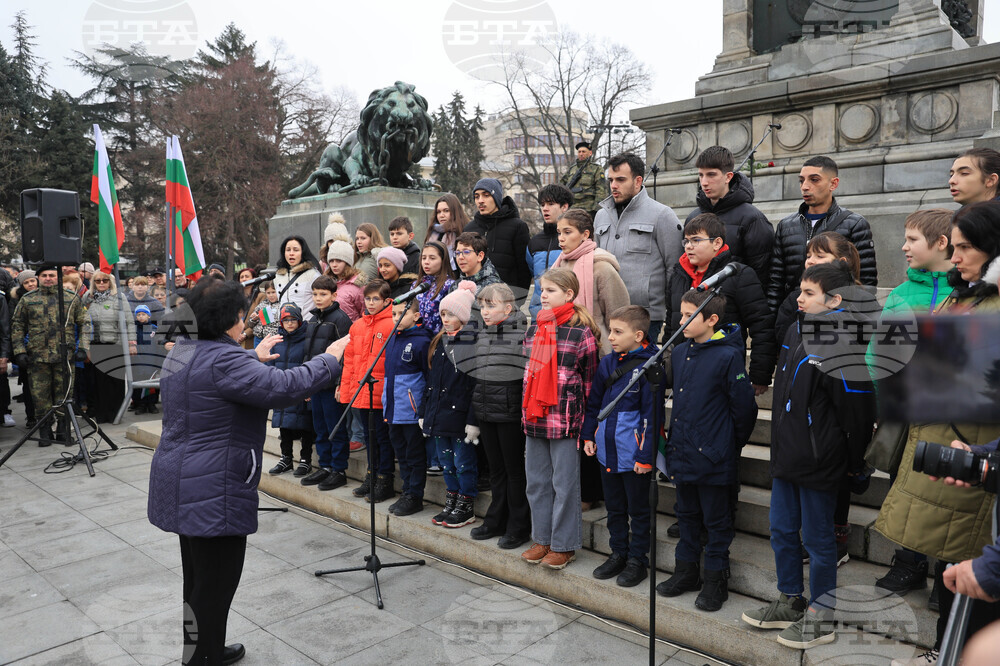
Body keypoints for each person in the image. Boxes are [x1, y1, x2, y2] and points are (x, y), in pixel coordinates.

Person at [147, 278, 347, 665]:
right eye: (241, 316)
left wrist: (251, 357)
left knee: (198, 582)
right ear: (225, 320)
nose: (246, 322)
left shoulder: (184, 350)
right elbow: (287, 387)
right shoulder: (226, 360)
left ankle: (203, 649)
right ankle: (202, 659)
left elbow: (214, 380)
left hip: (184, 478)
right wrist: (331, 357)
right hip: (212, 486)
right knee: (215, 586)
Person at [874, 202, 1000, 664]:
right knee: (953, 571)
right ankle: (945, 650)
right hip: (945, 443)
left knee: (969, 575)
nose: (958, 256)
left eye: (967, 247)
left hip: (973, 454)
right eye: (957, 245)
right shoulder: (963, 293)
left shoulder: (989, 300)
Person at [743, 262, 876, 650]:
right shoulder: (795, 328)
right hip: (788, 455)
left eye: (808, 293)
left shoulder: (844, 341)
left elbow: (857, 412)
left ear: (835, 300)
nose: (798, 299)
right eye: (799, 291)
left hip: (820, 461)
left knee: (818, 543)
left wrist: (854, 465)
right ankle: (790, 599)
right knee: (783, 531)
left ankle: (822, 615)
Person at [868, 211, 953, 595]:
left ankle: (947, 571)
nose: (903, 247)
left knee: (945, 491)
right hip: (904, 411)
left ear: (942, 244)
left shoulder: (966, 293)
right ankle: (908, 563)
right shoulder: (902, 293)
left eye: (912, 239)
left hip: (948, 416)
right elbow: (878, 355)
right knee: (902, 484)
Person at [657, 292, 757, 610]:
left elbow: (744, 409)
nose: (681, 321)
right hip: (684, 452)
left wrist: (727, 443)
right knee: (685, 515)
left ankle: (716, 579)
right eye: (680, 313)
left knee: (716, 521)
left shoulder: (728, 355)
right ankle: (686, 571)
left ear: (711, 320)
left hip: (713, 455)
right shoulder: (682, 351)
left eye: (689, 315)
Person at [520, 268, 600, 570]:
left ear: (568, 294)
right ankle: (542, 538)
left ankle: (564, 546)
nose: (543, 295)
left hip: (565, 423)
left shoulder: (581, 334)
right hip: (534, 420)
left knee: (565, 486)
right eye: (541, 290)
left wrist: (586, 426)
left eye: (550, 290)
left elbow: (591, 385)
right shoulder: (533, 330)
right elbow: (528, 378)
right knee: (537, 483)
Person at [581, 305, 664, 588]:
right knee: (615, 507)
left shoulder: (651, 365)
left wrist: (645, 455)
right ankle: (618, 552)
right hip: (607, 448)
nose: (611, 337)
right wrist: (589, 435)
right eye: (611, 331)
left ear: (639, 335)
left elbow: (652, 417)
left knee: (638, 509)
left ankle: (637, 559)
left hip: (633, 452)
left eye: (618, 332)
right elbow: (594, 404)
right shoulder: (607, 363)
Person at [665, 213, 776, 395]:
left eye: (696, 240)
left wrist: (759, 374)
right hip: (684, 367)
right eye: (686, 241)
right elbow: (671, 322)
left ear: (717, 243)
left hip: (722, 371)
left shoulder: (738, 274)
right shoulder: (678, 274)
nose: (689, 247)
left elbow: (762, 325)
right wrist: (669, 363)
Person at [462, 282, 531, 548]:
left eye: (491, 306)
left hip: (510, 412)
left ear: (509, 307)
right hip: (485, 409)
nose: (485, 311)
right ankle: (495, 519)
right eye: (482, 306)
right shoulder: (484, 333)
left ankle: (518, 525)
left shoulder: (521, 333)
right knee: (496, 471)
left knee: (514, 472)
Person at [766, 155, 877, 313]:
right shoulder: (786, 225)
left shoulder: (854, 224)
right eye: (801, 180)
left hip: (836, 318)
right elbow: (776, 283)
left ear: (833, 183)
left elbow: (866, 283)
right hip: (792, 316)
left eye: (814, 180)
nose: (805, 186)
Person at [595, 152, 683, 342]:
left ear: (638, 181)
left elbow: (675, 269)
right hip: (607, 314)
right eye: (611, 180)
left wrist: (669, 312)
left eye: (620, 179)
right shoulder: (600, 216)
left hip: (645, 317)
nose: (613, 186)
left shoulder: (662, 215)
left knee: (639, 371)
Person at [422, 281, 480, 528]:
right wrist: (424, 413)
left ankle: (466, 504)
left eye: (452, 314)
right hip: (439, 416)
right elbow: (431, 382)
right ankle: (452, 498)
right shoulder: (439, 343)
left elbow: (475, 386)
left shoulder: (472, 344)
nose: (446, 318)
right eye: (443, 313)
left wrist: (473, 421)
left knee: (463, 463)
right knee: (446, 463)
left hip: (460, 419)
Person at [11, 266, 89, 445]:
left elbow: (85, 323)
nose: (48, 278)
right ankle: (44, 430)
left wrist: (83, 347)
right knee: (40, 397)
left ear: (58, 278)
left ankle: (63, 429)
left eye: (52, 275)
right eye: (44, 275)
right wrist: (19, 352)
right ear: (38, 278)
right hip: (37, 358)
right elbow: (17, 327)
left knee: (64, 395)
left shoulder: (71, 298)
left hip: (65, 357)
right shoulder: (28, 299)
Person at [686, 145, 774, 288]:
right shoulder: (693, 217)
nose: (704, 182)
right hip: (696, 303)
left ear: (728, 177)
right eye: (701, 175)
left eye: (711, 175)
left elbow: (762, 274)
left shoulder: (752, 218)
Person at [340, 280, 396, 503]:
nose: (371, 303)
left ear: (386, 300)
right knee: (369, 438)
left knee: (383, 438)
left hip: (380, 393)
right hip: (361, 392)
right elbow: (350, 361)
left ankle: (385, 479)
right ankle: (371, 475)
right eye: (368, 299)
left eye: (376, 299)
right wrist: (346, 391)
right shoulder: (358, 326)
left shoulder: (392, 323)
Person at [298, 275, 353, 491]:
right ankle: (325, 465)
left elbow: (347, 354)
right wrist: (306, 382)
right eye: (315, 294)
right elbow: (307, 353)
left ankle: (339, 469)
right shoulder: (312, 320)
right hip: (317, 384)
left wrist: (341, 383)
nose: (318, 298)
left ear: (334, 295)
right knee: (319, 428)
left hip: (332, 385)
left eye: (323, 294)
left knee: (334, 428)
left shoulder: (340, 319)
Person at [552, 208, 630, 357]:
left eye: (567, 232)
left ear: (585, 234)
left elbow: (619, 315)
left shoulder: (602, 267)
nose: (561, 238)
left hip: (597, 349)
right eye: (559, 232)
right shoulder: (559, 265)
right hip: (562, 346)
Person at [382, 298, 432, 516]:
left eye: (402, 313)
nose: (396, 318)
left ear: (416, 316)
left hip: (411, 411)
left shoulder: (422, 341)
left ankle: (415, 495)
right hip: (393, 408)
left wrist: (422, 409)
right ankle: (406, 490)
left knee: (414, 454)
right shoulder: (393, 338)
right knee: (400, 452)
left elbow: (428, 377)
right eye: (393, 314)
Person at [265, 304, 316, 478]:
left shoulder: (307, 338)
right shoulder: (277, 339)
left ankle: (305, 460)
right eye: (286, 320)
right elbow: (269, 362)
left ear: (299, 320)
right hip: (282, 389)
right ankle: (286, 457)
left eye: (293, 319)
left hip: (301, 388)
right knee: (284, 425)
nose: (290, 323)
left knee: (305, 425)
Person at [83, 270, 136, 423]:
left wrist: (131, 343)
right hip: (95, 345)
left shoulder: (119, 298)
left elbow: (128, 321)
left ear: (110, 282)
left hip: (115, 344)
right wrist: (85, 347)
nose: (101, 283)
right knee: (98, 382)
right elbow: (82, 323)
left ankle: (115, 414)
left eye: (104, 280)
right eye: (98, 281)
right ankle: (101, 413)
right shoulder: (87, 299)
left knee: (115, 381)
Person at [464, 178, 532, 292]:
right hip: (473, 299)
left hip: (506, 300)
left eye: (486, 195)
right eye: (477, 196)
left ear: (497, 198)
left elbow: (524, 269)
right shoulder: (469, 229)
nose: (480, 200)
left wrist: (517, 299)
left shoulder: (517, 226)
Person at [528, 184, 573, 319]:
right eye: (542, 205)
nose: (545, 209)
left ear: (564, 207)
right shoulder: (534, 242)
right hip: (539, 316)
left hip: (566, 316)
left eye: (550, 204)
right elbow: (533, 274)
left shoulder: (574, 240)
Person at [273, 235, 321, 321]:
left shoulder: (312, 274)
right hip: (285, 327)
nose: (291, 253)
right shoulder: (278, 275)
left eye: (296, 250)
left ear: (303, 252)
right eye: (288, 250)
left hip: (306, 326)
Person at [414, 240, 456, 335]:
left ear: (443, 260)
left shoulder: (450, 285)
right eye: (423, 258)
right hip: (417, 338)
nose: (426, 262)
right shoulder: (416, 285)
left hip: (438, 339)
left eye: (432, 258)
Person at [560, 140, 609, 217]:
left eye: (583, 152)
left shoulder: (597, 169)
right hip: (572, 209)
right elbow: (561, 186)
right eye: (579, 152)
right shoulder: (572, 169)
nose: (581, 154)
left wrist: (596, 209)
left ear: (590, 153)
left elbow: (601, 190)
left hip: (588, 209)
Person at [425, 193, 469, 270]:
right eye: (438, 212)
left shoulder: (465, 231)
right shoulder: (433, 232)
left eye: (446, 211)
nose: (441, 215)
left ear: (455, 212)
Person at [325, 240, 366, 322]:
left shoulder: (357, 286)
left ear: (347, 263)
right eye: (331, 261)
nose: (334, 265)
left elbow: (364, 314)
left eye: (339, 261)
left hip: (350, 331)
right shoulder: (326, 283)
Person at [130, 305, 160, 415]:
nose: (141, 317)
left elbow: (158, 345)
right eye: (138, 315)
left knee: (151, 383)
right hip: (138, 360)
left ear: (148, 315)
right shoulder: (133, 329)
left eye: (143, 314)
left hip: (151, 360)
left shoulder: (154, 329)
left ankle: (151, 404)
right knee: (138, 383)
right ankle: (140, 404)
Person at [243, 281, 280, 346]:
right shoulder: (262, 305)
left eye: (273, 292)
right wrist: (254, 319)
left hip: (272, 339)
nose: (271, 295)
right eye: (268, 293)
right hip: (258, 338)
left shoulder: (281, 306)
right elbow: (250, 324)